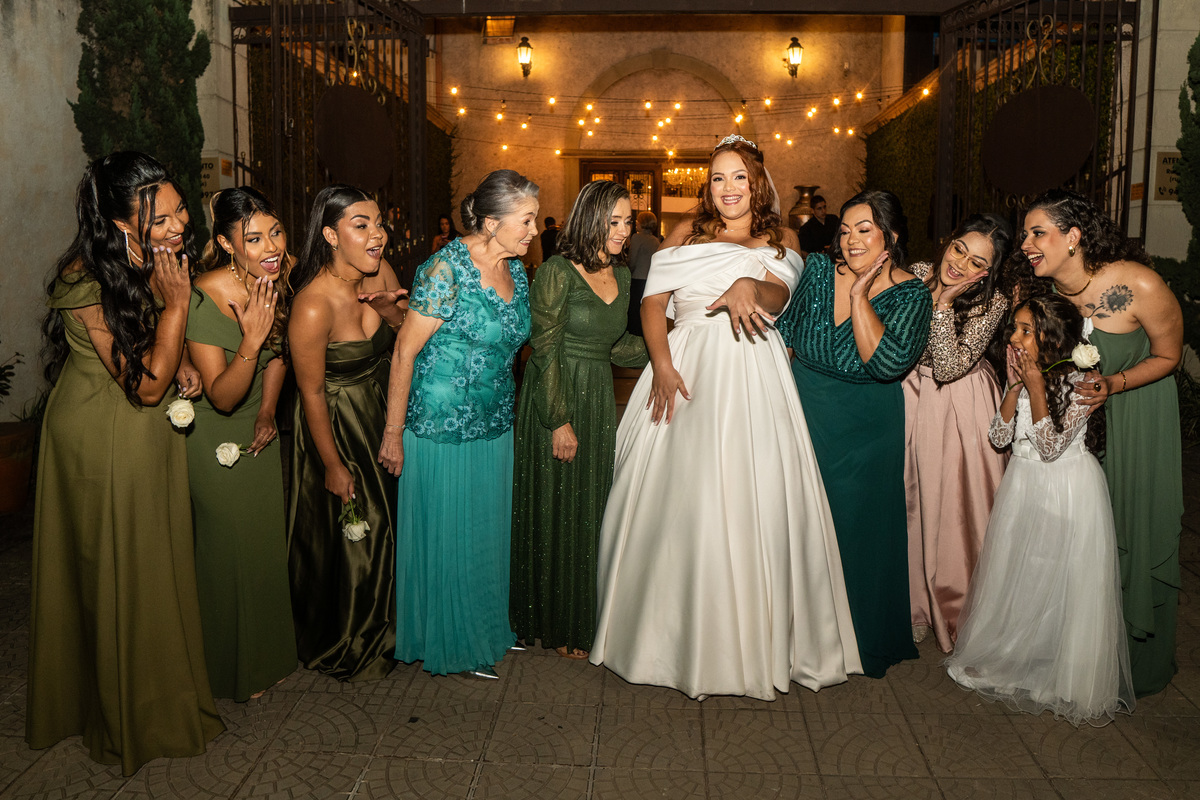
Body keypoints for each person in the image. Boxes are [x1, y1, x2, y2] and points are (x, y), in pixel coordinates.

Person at [590, 134, 861, 700]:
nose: (728, 187)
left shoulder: (782, 237)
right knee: (677, 496)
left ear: (757, 182)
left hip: (750, 370)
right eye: (718, 177)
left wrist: (748, 284)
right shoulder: (685, 232)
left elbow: (778, 297)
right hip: (683, 365)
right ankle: (661, 634)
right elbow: (652, 302)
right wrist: (662, 365)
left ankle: (745, 641)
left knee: (746, 495)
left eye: (739, 176)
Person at [28, 152, 223, 774]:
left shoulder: (148, 257)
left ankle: (163, 695)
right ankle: (124, 713)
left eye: (180, 209)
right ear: (118, 222)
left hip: (142, 433)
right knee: (119, 569)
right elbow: (143, 385)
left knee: (154, 563)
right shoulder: (85, 280)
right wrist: (176, 307)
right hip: (101, 440)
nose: (179, 225)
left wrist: (181, 360)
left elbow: (149, 353)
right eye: (160, 218)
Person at [1019, 189, 1183, 697]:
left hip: (1135, 417)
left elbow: (1170, 356)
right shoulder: (1044, 295)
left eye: (1037, 233)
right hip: (1074, 435)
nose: (1026, 244)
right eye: (1024, 234)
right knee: (1077, 540)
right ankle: (1076, 653)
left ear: (1073, 236)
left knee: (1128, 527)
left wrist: (1114, 383)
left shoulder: (1139, 283)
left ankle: (1134, 660)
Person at [946, 295, 1135, 725]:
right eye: (1014, 328)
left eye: (1025, 330)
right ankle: (1016, 656)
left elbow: (1050, 448)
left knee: (1060, 577)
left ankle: (1058, 670)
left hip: (1065, 488)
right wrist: (1014, 387)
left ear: (1052, 337)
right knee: (1024, 572)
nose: (1013, 338)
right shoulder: (1023, 375)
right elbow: (999, 437)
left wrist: (1034, 388)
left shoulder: (1081, 384)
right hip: (1024, 482)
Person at [379, 169, 536, 678]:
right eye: (526, 220)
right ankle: (455, 642)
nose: (534, 230)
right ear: (491, 222)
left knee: (485, 533)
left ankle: (488, 627)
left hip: (495, 421)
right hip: (442, 425)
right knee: (452, 535)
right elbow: (404, 352)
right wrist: (393, 432)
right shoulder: (445, 270)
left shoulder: (517, 270)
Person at [777, 189, 931, 679]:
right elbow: (786, 335)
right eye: (844, 230)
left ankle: (856, 642)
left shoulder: (912, 294)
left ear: (891, 236)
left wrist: (861, 295)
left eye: (865, 229)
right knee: (799, 522)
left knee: (858, 531)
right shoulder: (819, 271)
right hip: (805, 410)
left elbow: (884, 363)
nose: (851, 240)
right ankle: (795, 638)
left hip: (867, 426)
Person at [510, 180, 648, 660]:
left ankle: (579, 616)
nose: (623, 231)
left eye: (628, 221)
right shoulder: (556, 271)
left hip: (597, 400)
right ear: (590, 219)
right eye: (614, 221)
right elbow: (544, 347)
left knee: (589, 505)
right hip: (556, 396)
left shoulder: (623, 274)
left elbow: (617, 345)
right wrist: (558, 421)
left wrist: (674, 346)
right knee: (554, 505)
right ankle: (550, 620)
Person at [287, 184, 405, 682]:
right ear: (331, 235)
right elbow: (311, 392)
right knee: (362, 530)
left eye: (379, 223)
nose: (377, 234)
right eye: (362, 225)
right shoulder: (313, 304)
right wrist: (332, 465)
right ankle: (355, 639)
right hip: (337, 423)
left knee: (394, 522)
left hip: (382, 410)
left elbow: (405, 334)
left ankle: (396, 627)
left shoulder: (380, 272)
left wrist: (392, 311)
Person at [185, 187, 297, 700]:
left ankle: (267, 658)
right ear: (228, 244)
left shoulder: (275, 278)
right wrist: (250, 338)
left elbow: (278, 355)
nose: (271, 246)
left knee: (261, 545)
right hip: (214, 433)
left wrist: (269, 411)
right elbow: (224, 396)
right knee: (227, 549)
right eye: (254, 238)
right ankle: (225, 668)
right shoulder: (202, 297)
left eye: (276, 232)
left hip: (258, 426)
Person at [904, 214, 1013, 653]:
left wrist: (944, 305)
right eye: (959, 250)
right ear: (948, 241)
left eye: (976, 262)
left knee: (952, 504)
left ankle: (954, 602)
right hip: (908, 391)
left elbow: (950, 366)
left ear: (990, 271)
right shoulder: (916, 273)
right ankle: (913, 604)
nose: (960, 264)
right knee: (910, 498)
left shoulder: (994, 301)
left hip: (959, 402)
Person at [626, 210, 661, 335]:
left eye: (637, 222)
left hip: (637, 279)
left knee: (633, 311)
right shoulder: (655, 240)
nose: (636, 224)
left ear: (642, 223)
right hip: (650, 281)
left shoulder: (636, 237)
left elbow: (632, 260)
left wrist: (627, 272)